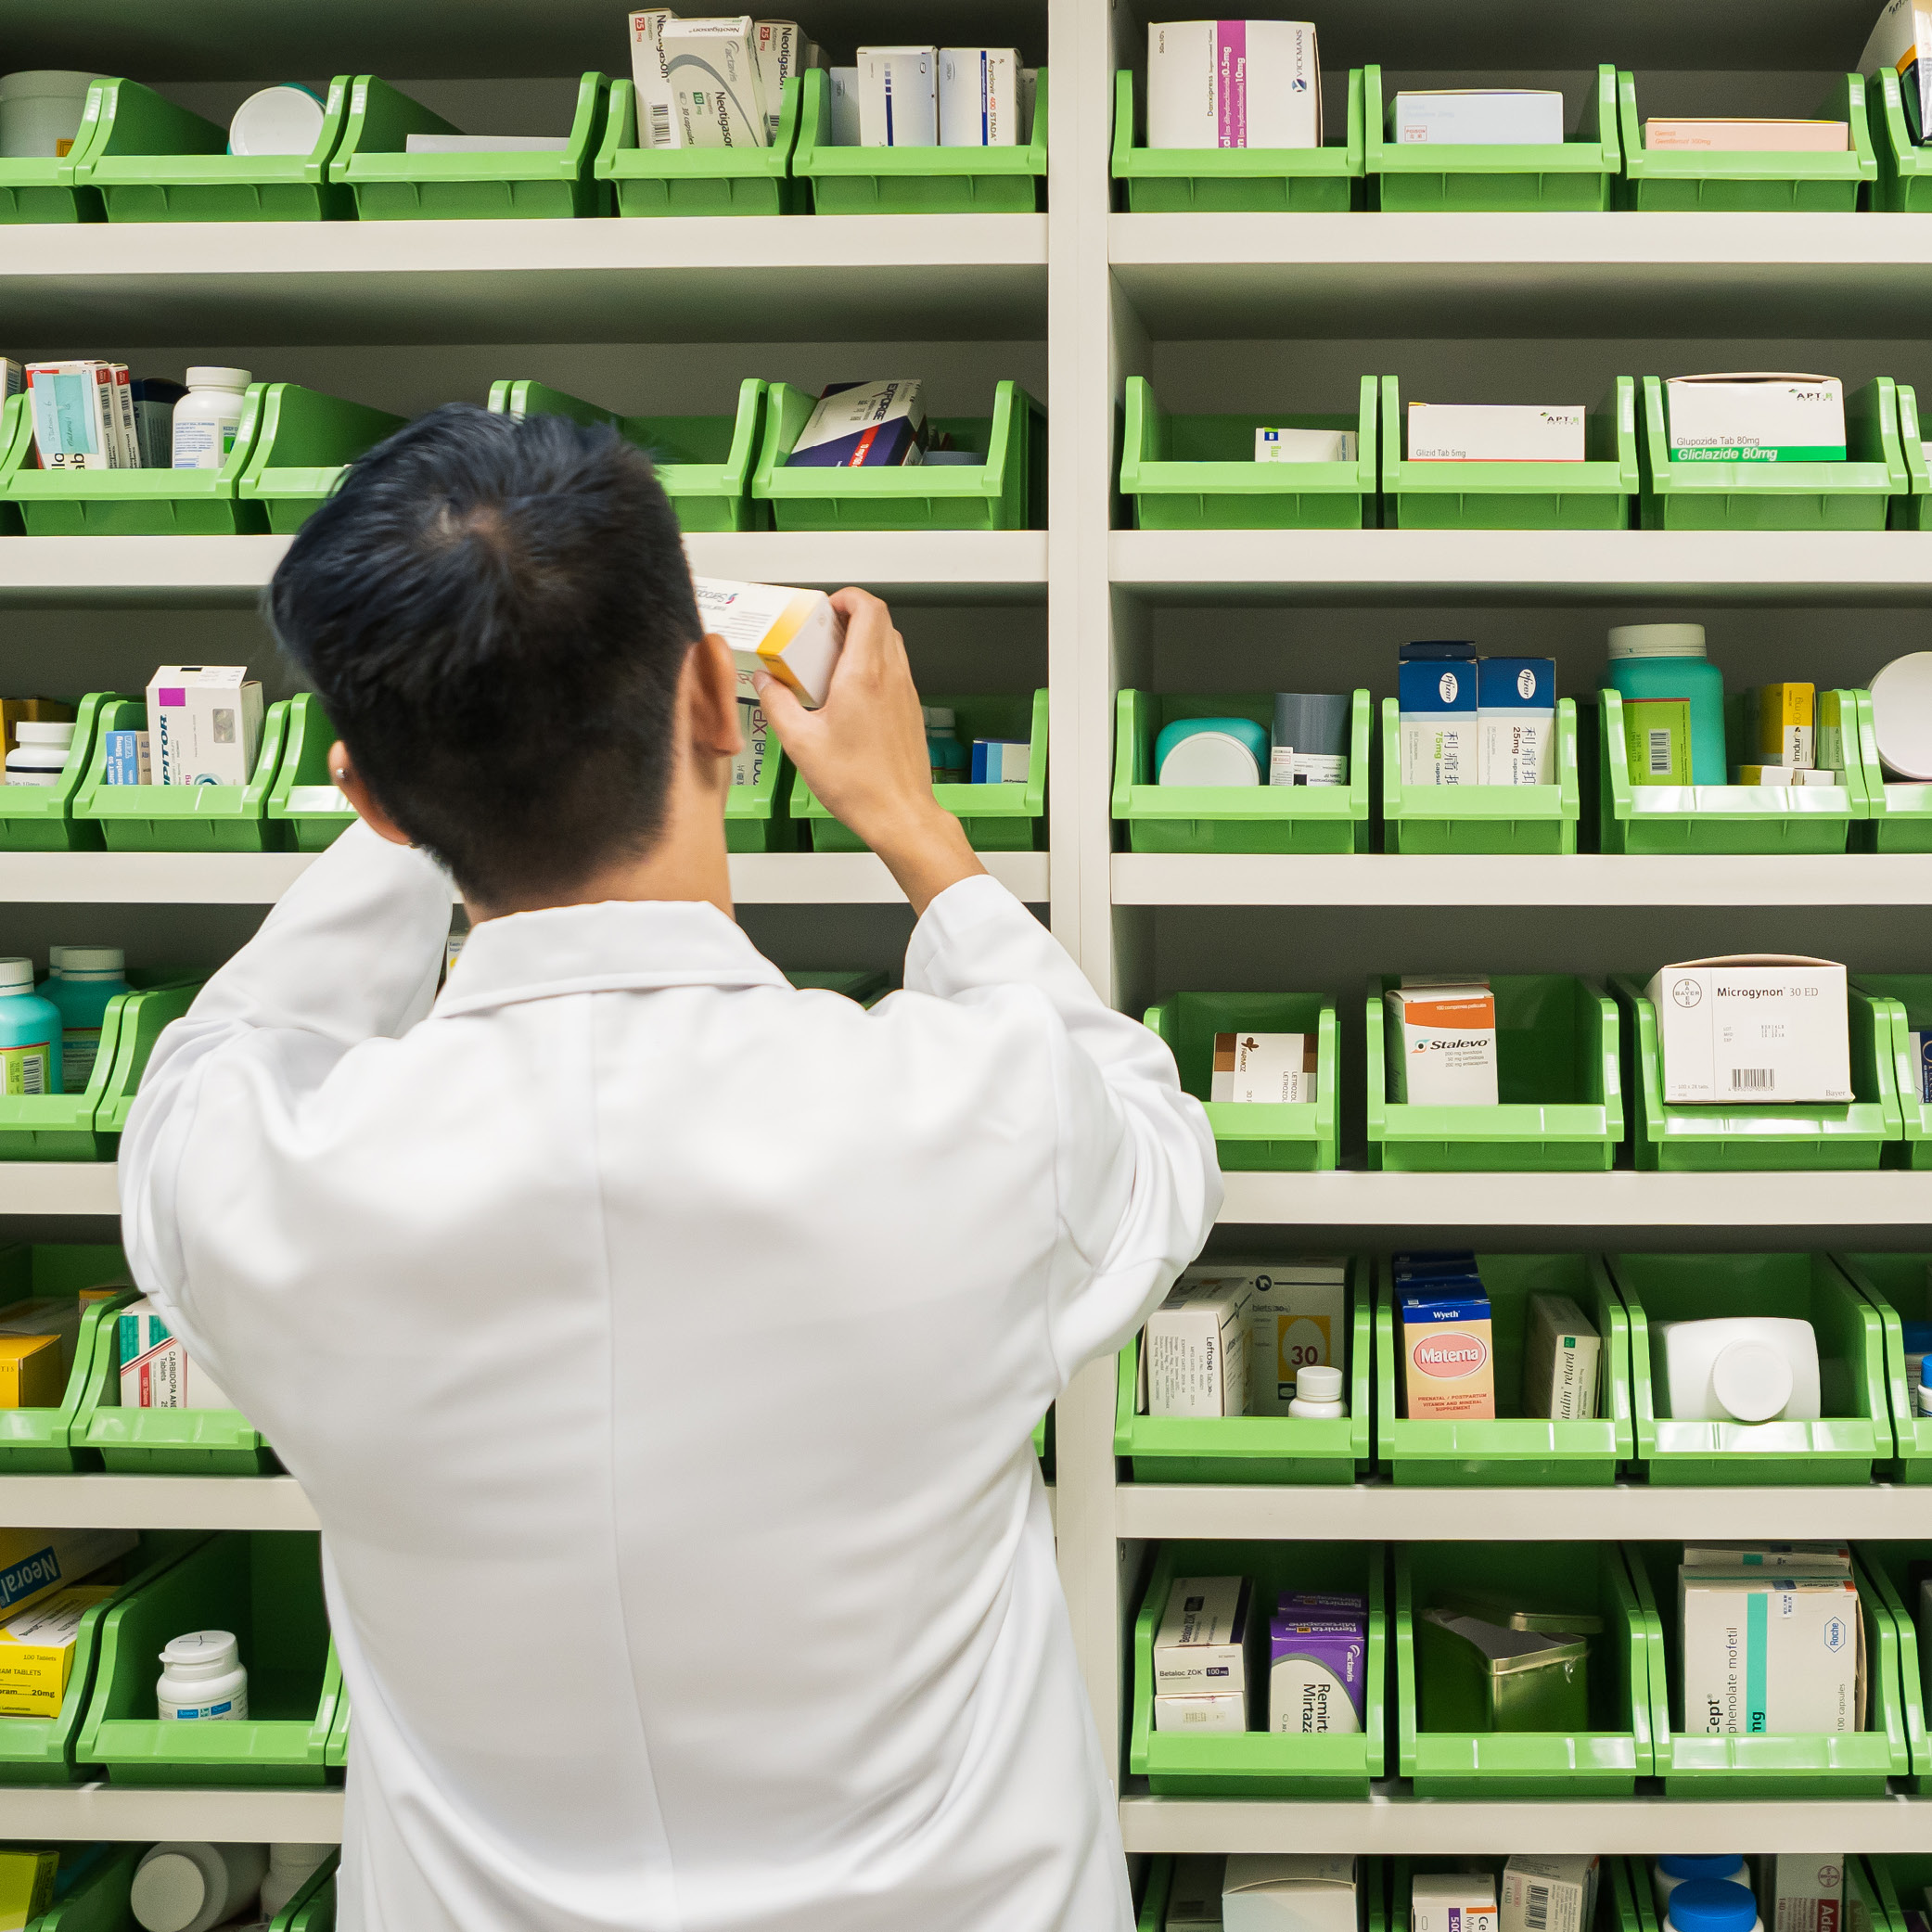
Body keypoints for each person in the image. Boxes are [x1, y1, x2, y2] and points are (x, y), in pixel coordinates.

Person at [120, 404, 1221, 1932]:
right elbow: (1153, 1126)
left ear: (361, 794)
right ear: (721, 693)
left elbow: (221, 1046)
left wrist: (434, 767)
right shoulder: (973, 1111)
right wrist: (910, 824)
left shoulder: (254, 1180)